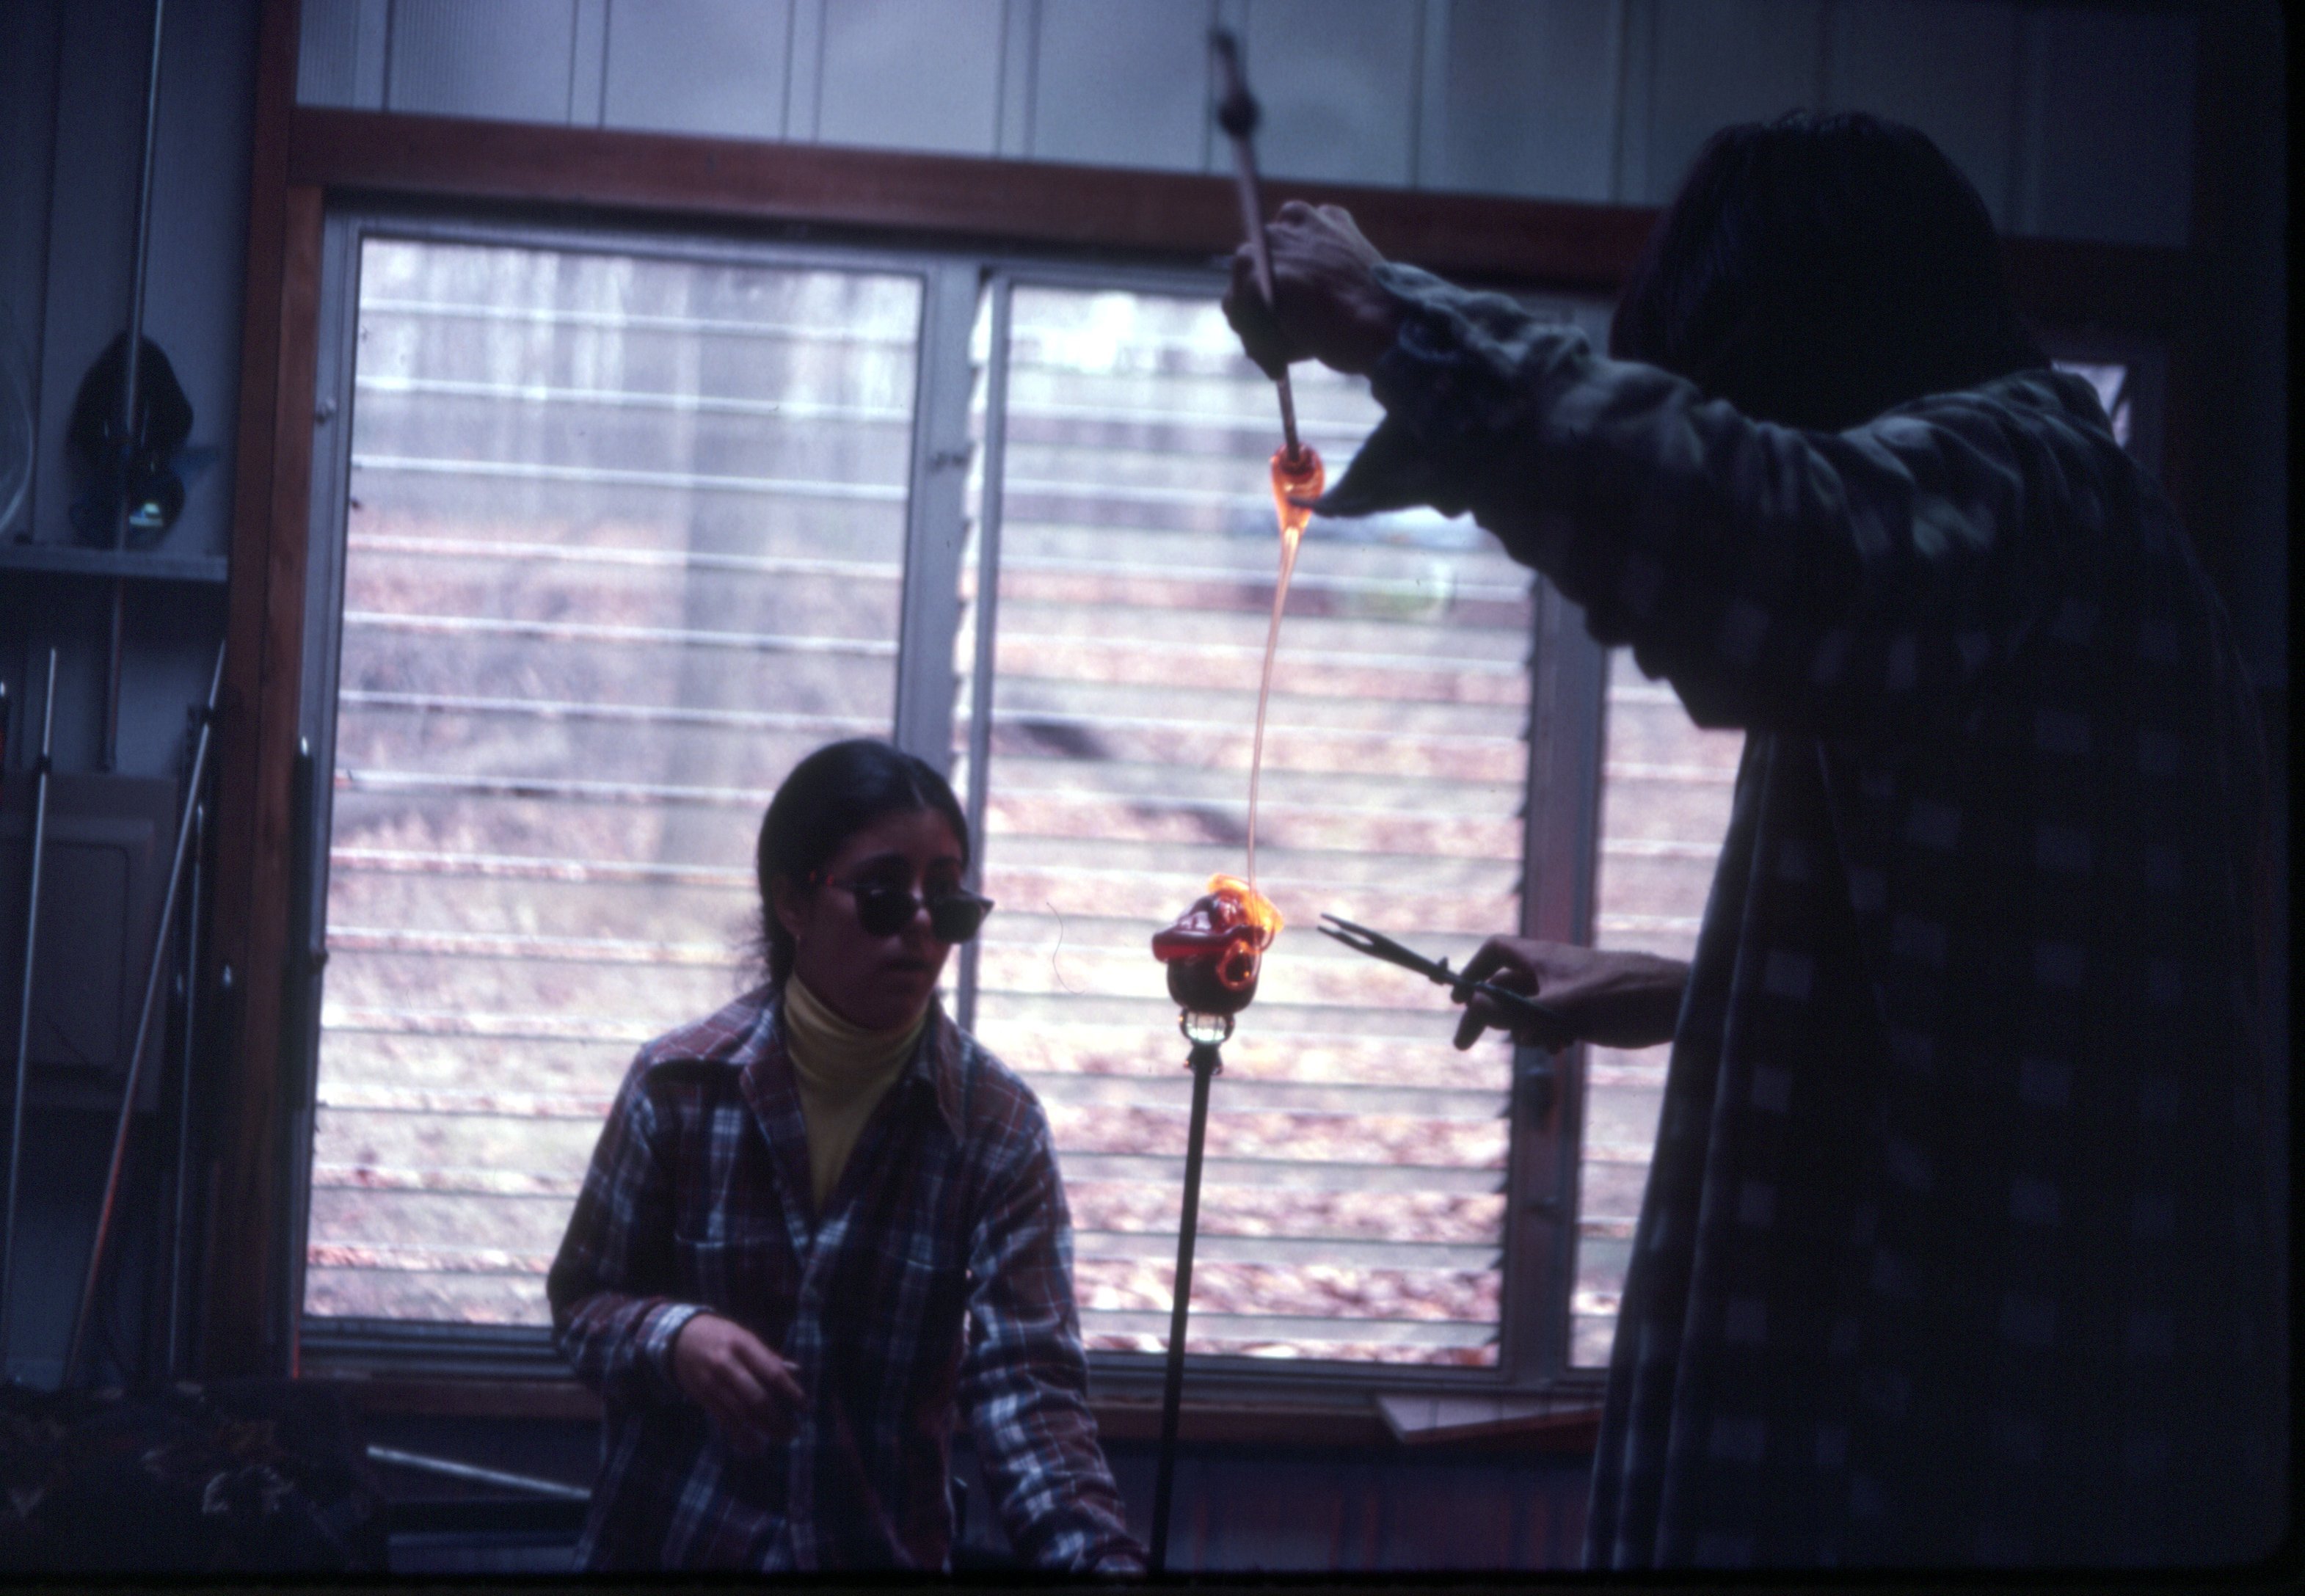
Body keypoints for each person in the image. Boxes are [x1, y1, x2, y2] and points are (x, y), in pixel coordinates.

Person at [1225, 112, 2282, 1567]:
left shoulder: (2017, 485)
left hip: (1951, 1491)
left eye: (1748, 409)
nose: (1753, 442)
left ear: (1821, 341)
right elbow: (2017, 995)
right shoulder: (2050, 548)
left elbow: (1778, 550)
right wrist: (1694, 994)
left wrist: (1390, 316)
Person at [547, 737, 1143, 1573]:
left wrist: (1098, 1560)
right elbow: (580, 1305)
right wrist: (674, 1337)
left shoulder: (997, 1127)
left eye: (947, 898)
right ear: (794, 901)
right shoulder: (677, 1085)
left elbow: (1029, 1392)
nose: (923, 926)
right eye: (883, 895)